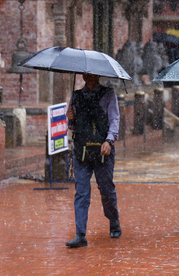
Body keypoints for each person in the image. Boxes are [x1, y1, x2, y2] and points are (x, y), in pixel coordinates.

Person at [66, 73, 121, 248]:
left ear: (98, 76)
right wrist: (71, 118)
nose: (90, 79)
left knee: (106, 189)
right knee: (81, 191)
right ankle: (80, 234)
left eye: (93, 76)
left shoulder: (108, 94)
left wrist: (109, 140)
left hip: (103, 149)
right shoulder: (76, 96)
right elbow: (73, 126)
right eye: (87, 76)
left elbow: (114, 119)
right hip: (82, 149)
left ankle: (113, 219)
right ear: (83, 76)